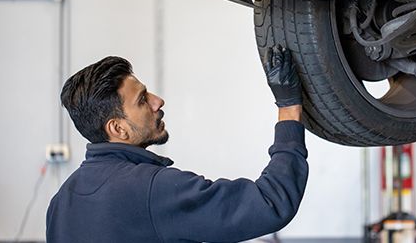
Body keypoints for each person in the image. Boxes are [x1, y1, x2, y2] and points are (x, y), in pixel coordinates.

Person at [46, 46, 308, 243]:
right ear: (118, 128)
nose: (157, 101)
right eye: (142, 100)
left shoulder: (61, 202)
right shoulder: (152, 189)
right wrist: (288, 108)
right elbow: (270, 204)